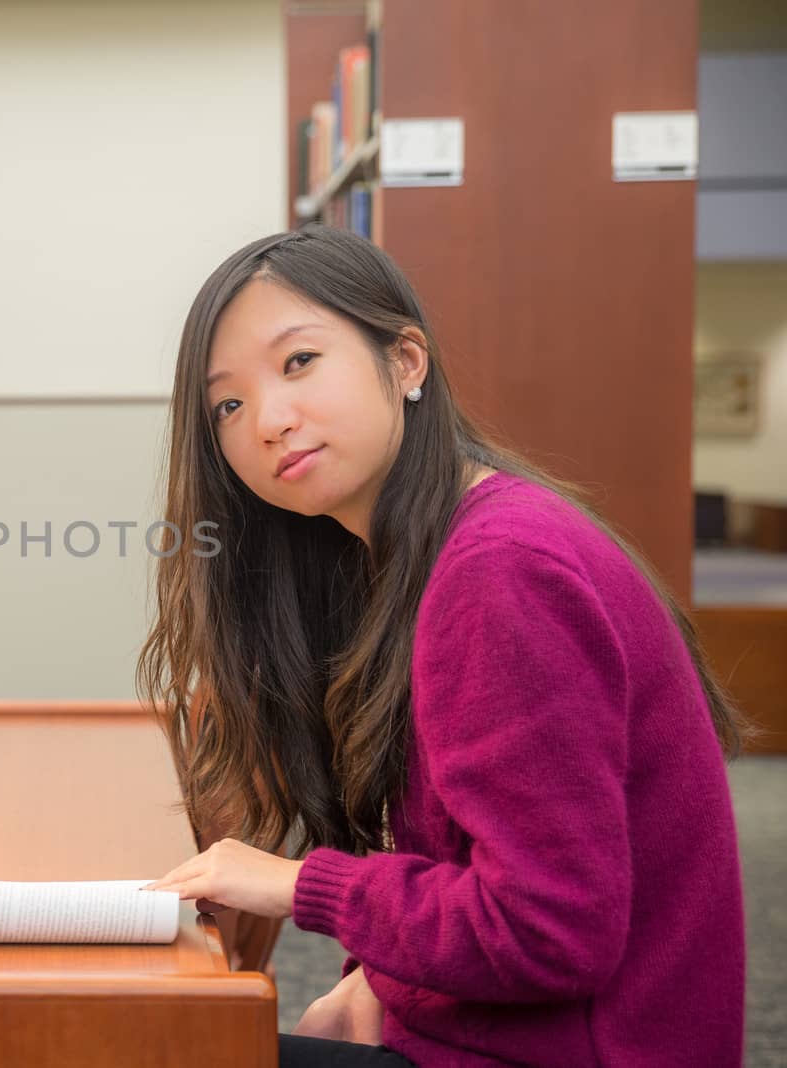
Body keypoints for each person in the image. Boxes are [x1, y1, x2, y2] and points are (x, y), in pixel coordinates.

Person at [136, 226, 748, 1067]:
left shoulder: (499, 572)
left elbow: (549, 928)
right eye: (228, 405)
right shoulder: (416, 553)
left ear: (406, 361)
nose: (269, 421)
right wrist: (385, 981)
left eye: (300, 362)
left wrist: (299, 886)